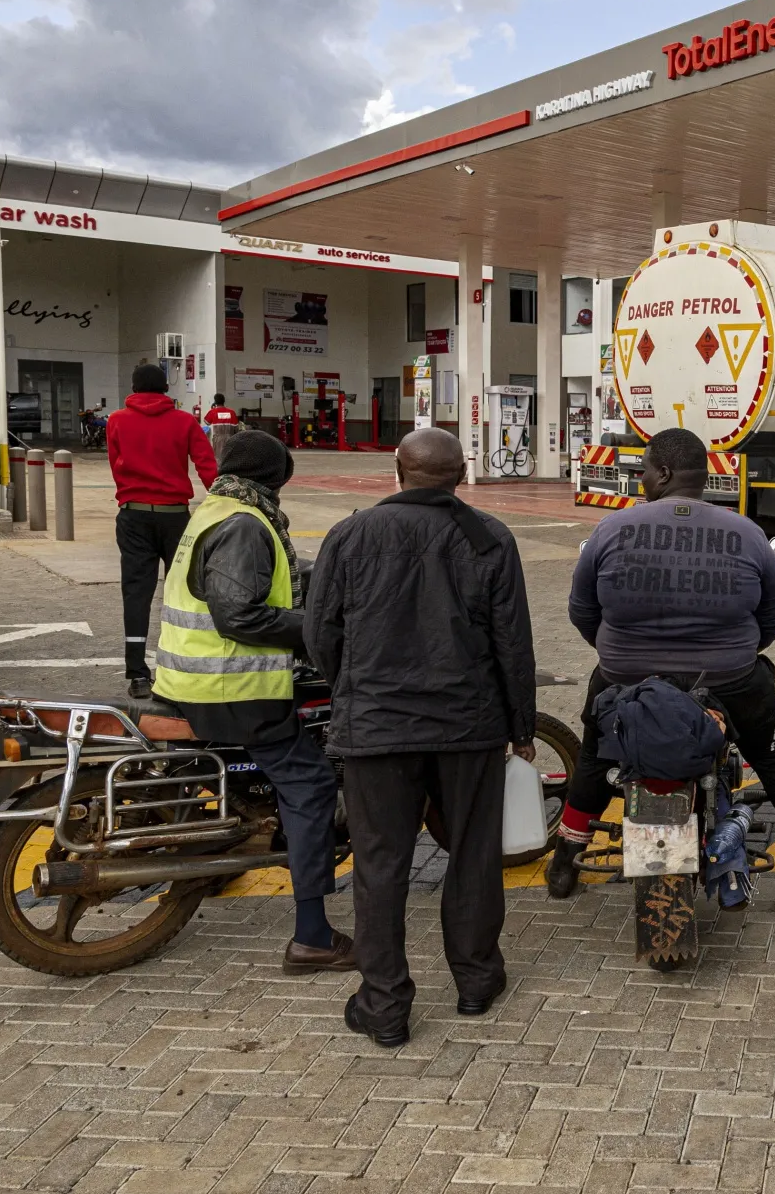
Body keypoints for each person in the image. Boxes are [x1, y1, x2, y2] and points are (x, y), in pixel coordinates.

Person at [303, 427, 536, 1047]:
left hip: (377, 731)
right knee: (474, 855)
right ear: (461, 475)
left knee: (380, 867)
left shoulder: (350, 535)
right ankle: (477, 981)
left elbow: (321, 634)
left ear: (396, 470)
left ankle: (384, 1007)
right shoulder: (489, 537)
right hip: (469, 728)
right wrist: (522, 729)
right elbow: (513, 643)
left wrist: (354, 690)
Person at [548, 427, 775, 901]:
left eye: (642, 472)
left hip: (625, 685)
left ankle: (563, 868)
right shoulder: (747, 533)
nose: (640, 481)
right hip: (729, 684)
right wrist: (736, 653)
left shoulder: (611, 531)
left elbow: (583, 612)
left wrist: (623, 655)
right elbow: (773, 616)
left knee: (597, 756)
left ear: (662, 473)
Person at [150, 431, 352, 974]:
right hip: (229, 688)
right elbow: (239, 614)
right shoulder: (245, 524)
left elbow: (275, 577)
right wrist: (319, 629)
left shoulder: (220, 507)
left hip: (188, 681)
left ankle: (220, 859)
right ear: (276, 476)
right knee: (309, 785)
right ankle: (312, 935)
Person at [108, 362, 218, 699]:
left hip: (134, 516)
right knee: (182, 594)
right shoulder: (185, 422)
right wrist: (219, 503)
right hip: (175, 518)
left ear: (134, 387)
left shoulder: (116, 421)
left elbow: (116, 463)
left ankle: (138, 674)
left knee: (136, 594)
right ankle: (180, 665)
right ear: (165, 389)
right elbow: (207, 466)